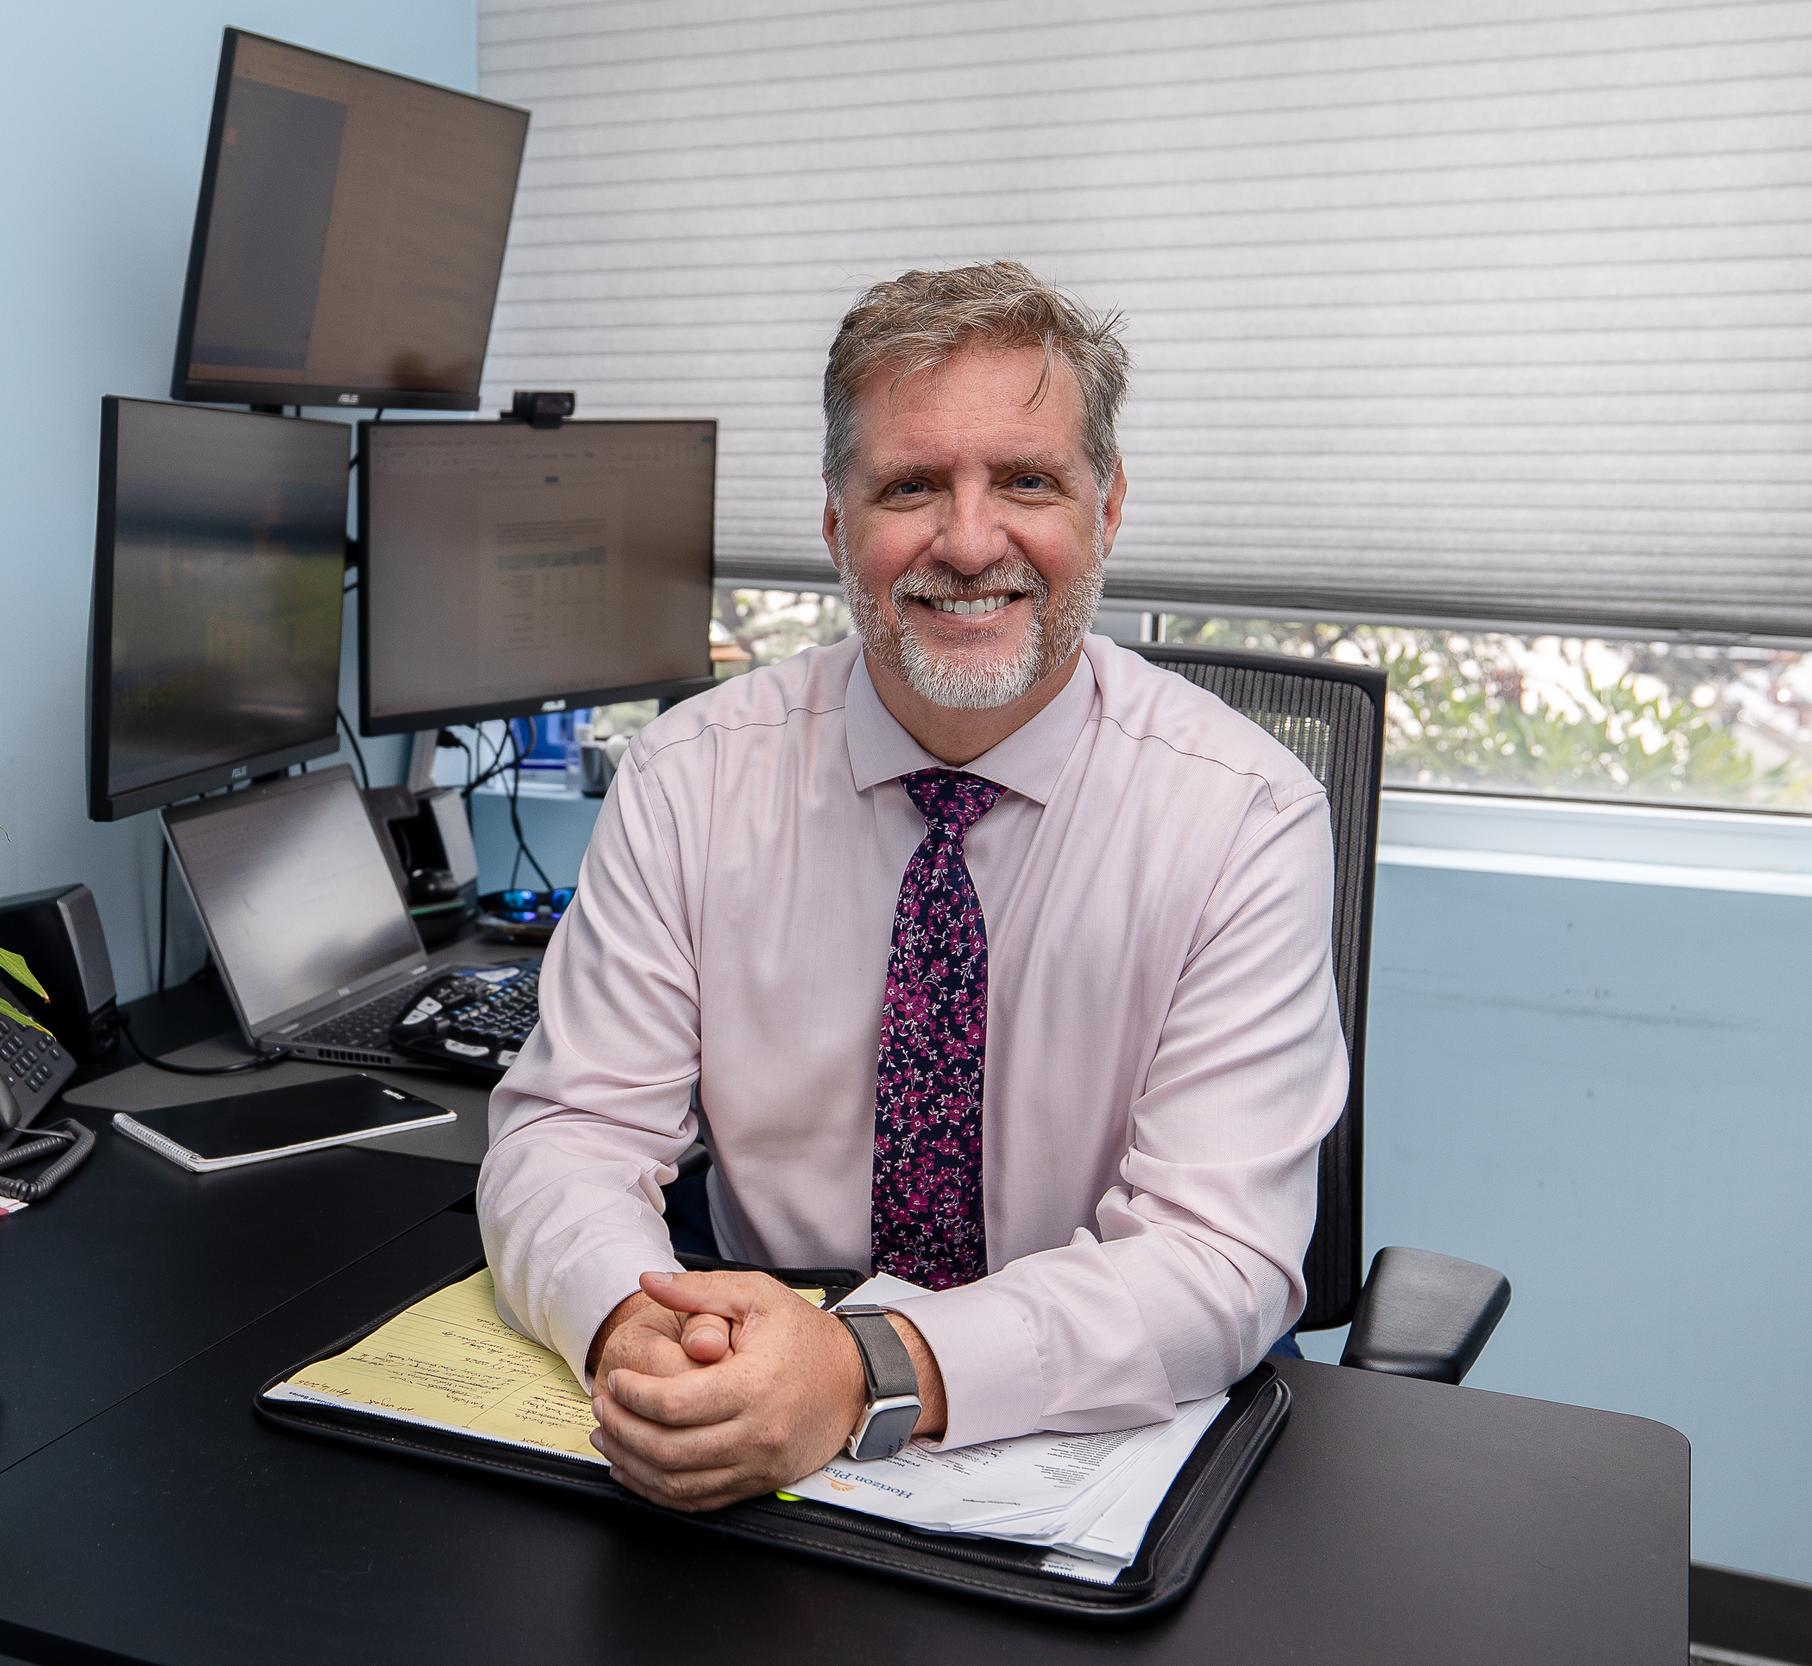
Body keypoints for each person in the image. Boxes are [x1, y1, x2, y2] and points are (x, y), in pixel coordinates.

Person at [477, 261, 1347, 1513]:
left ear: (1105, 510)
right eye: (910, 486)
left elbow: (1215, 1256)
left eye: (1028, 481)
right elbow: (572, 1134)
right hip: (753, 1382)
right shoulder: (687, 777)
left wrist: (866, 1367)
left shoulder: (1240, 815)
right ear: (838, 527)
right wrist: (636, 1326)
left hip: (1094, 1430)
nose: (969, 540)